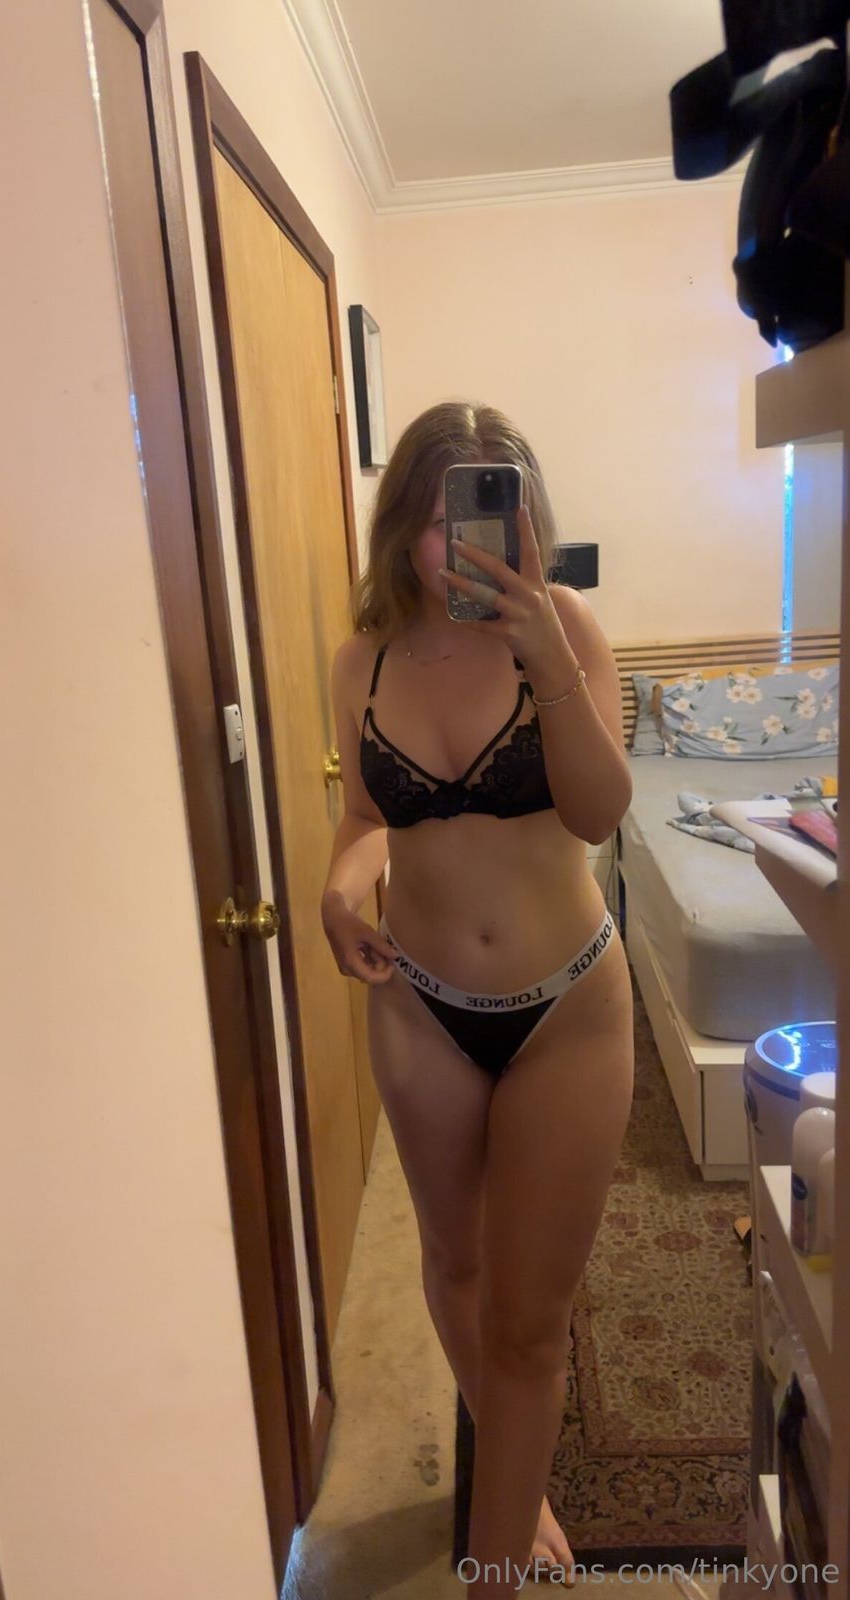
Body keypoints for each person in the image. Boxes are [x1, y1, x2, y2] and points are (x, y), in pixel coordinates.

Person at [321, 401, 635, 1598]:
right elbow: (368, 818)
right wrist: (339, 891)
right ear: (405, 524)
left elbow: (600, 809)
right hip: (421, 1006)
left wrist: (547, 658)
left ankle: (493, 1569)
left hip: (568, 1008)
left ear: (526, 516)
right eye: (441, 516)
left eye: (492, 509)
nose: (464, 542)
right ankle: (518, 1475)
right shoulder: (363, 661)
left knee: (529, 1320)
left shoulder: (565, 628)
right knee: (453, 1262)